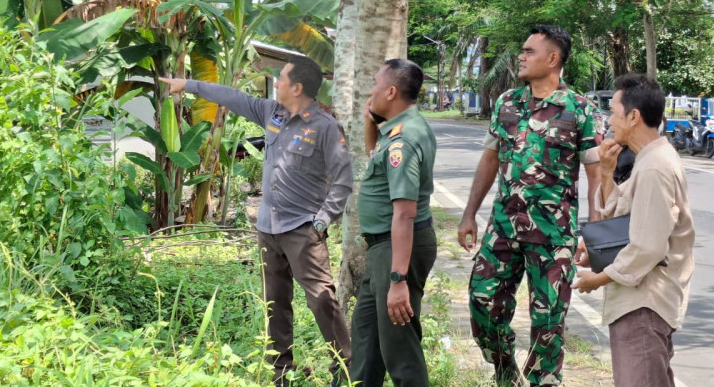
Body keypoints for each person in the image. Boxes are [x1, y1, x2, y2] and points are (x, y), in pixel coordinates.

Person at [160, 56, 352, 387]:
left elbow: (343, 180)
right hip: (268, 229)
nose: (275, 83)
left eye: (281, 79)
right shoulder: (271, 113)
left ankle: (346, 368)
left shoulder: (325, 128)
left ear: (298, 87)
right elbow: (233, 97)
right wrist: (187, 85)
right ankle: (282, 374)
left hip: (302, 231)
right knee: (275, 304)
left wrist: (320, 223)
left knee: (321, 298)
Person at [457, 25, 602, 387]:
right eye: (521, 51)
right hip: (504, 227)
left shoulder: (580, 109)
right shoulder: (508, 103)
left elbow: (597, 176)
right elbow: (490, 159)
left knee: (548, 323)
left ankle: (543, 382)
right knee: (482, 301)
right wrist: (469, 213)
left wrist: (594, 235)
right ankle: (504, 368)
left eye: (528, 51)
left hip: (554, 237)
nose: (520, 57)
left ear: (552, 59)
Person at [572, 73, 695, 387]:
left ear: (634, 116)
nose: (609, 122)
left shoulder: (654, 166)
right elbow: (623, 214)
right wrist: (607, 172)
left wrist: (596, 280)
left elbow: (648, 247)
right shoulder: (648, 159)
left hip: (643, 304)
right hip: (640, 299)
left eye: (613, 112)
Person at [351, 59, 437, 387]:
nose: (370, 90)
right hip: (383, 249)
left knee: (400, 351)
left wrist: (398, 279)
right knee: (366, 345)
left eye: (375, 84)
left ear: (390, 90)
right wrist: (370, 122)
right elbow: (377, 161)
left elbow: (404, 213)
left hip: (397, 248)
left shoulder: (404, 140)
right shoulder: (398, 130)